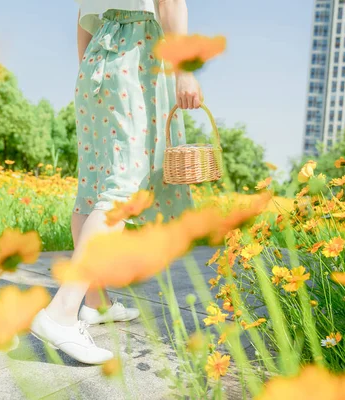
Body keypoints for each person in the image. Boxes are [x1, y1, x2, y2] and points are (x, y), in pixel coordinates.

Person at [30, 0, 202, 364]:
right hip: (138, 55)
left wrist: (90, 70)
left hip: (98, 58)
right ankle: (61, 312)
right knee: (123, 188)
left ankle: (96, 302)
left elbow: (83, 17)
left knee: (94, 187)